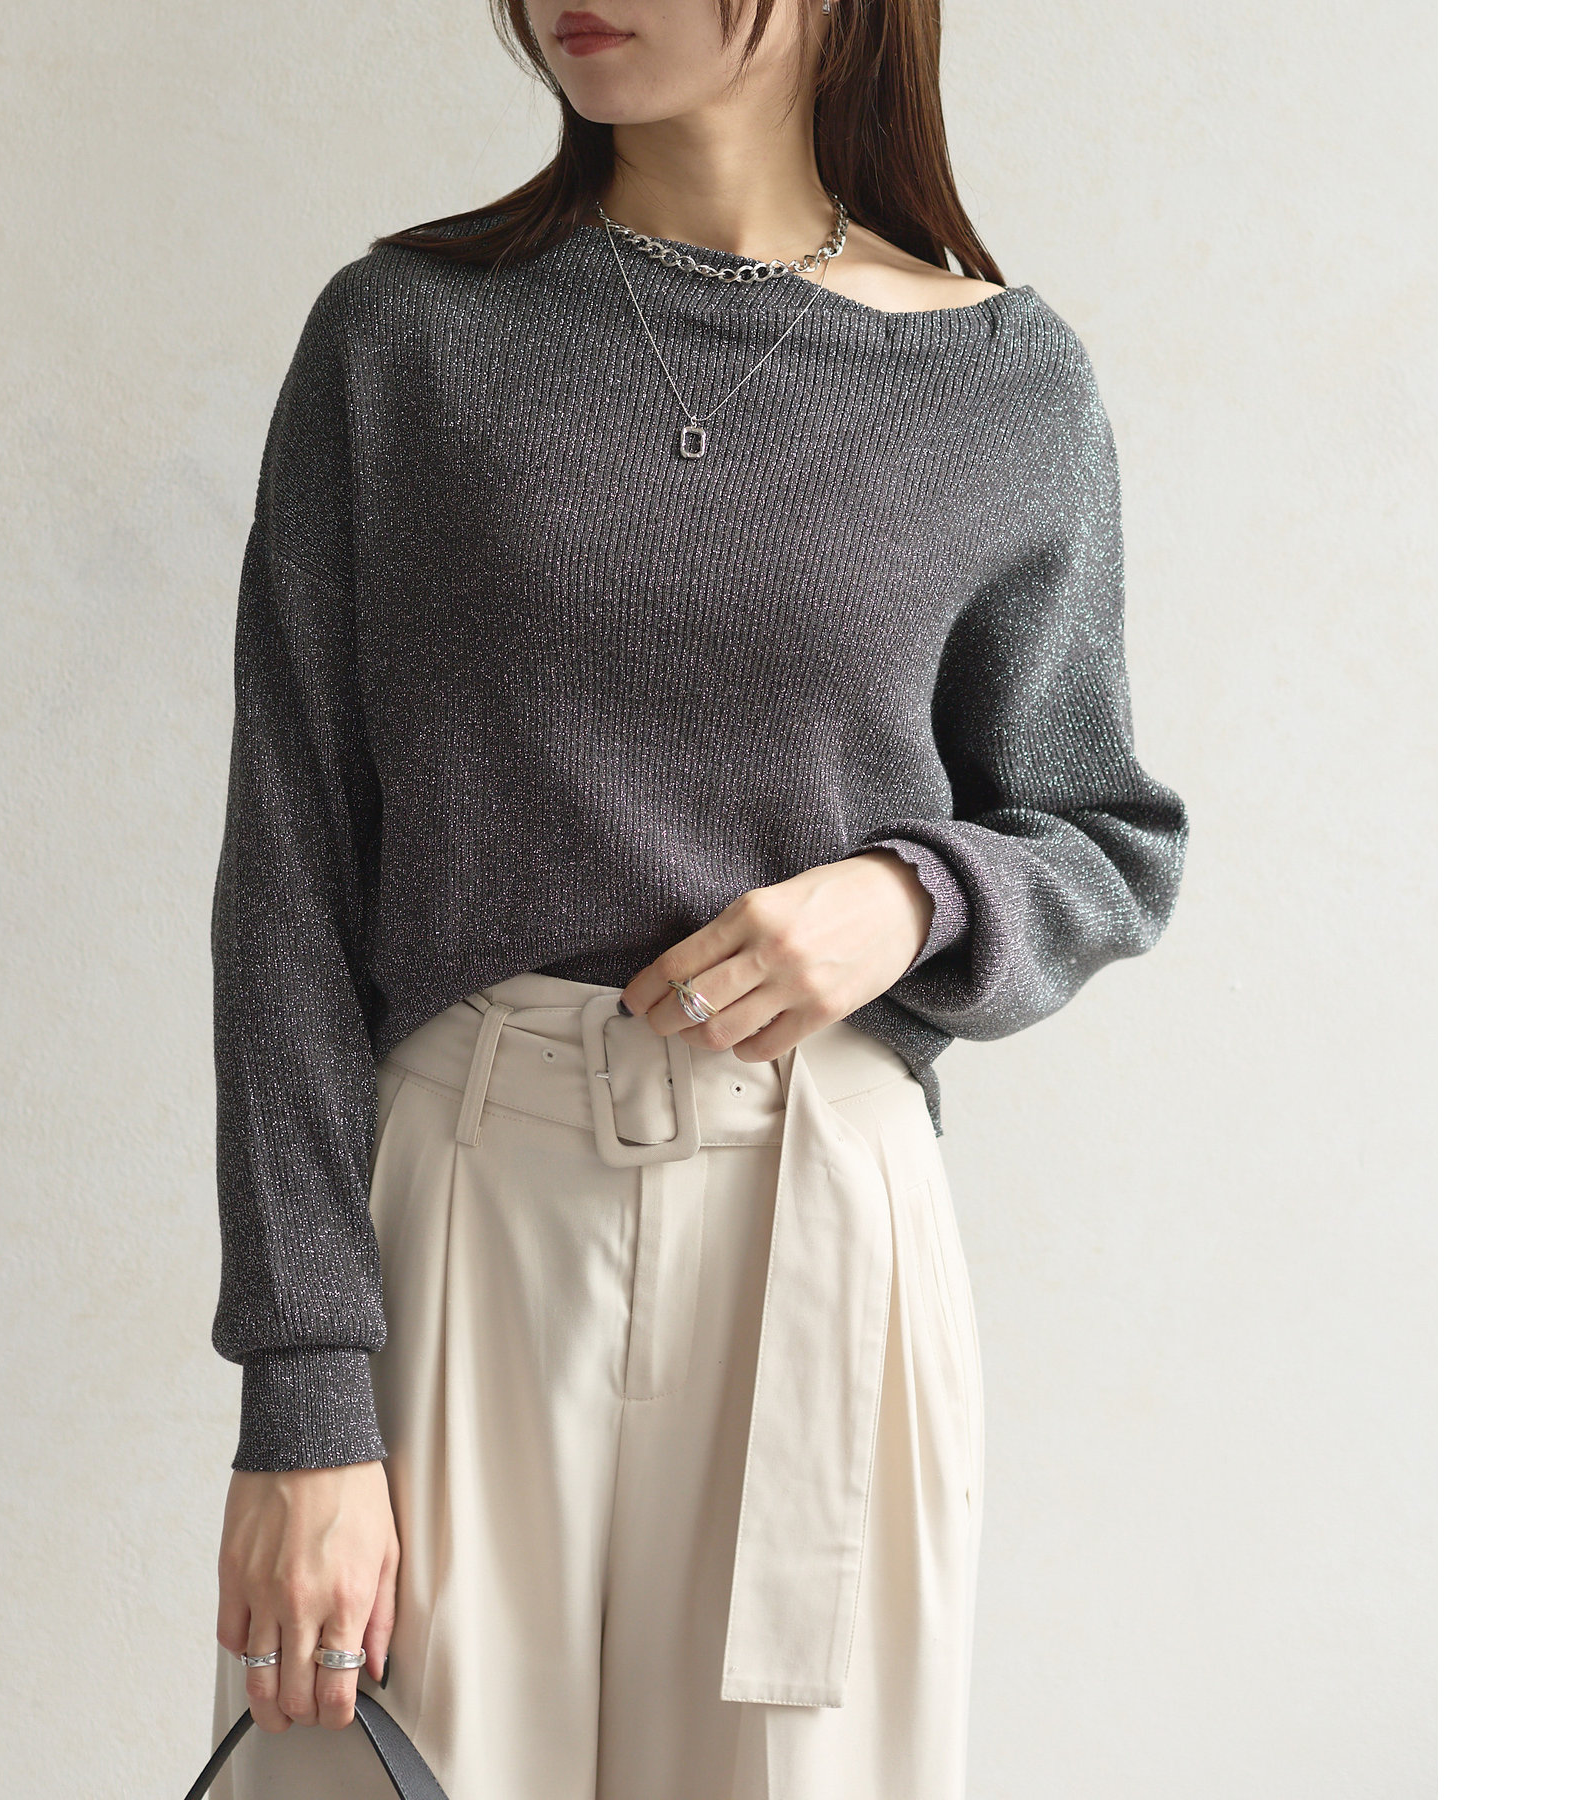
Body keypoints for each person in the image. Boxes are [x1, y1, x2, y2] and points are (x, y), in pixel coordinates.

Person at [205, 1, 1188, 1795]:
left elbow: (1106, 834)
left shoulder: (1006, 383)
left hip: (817, 1237)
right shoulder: (406, 338)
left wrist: (913, 898)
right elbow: (287, 872)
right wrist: (305, 1396)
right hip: (464, 1227)